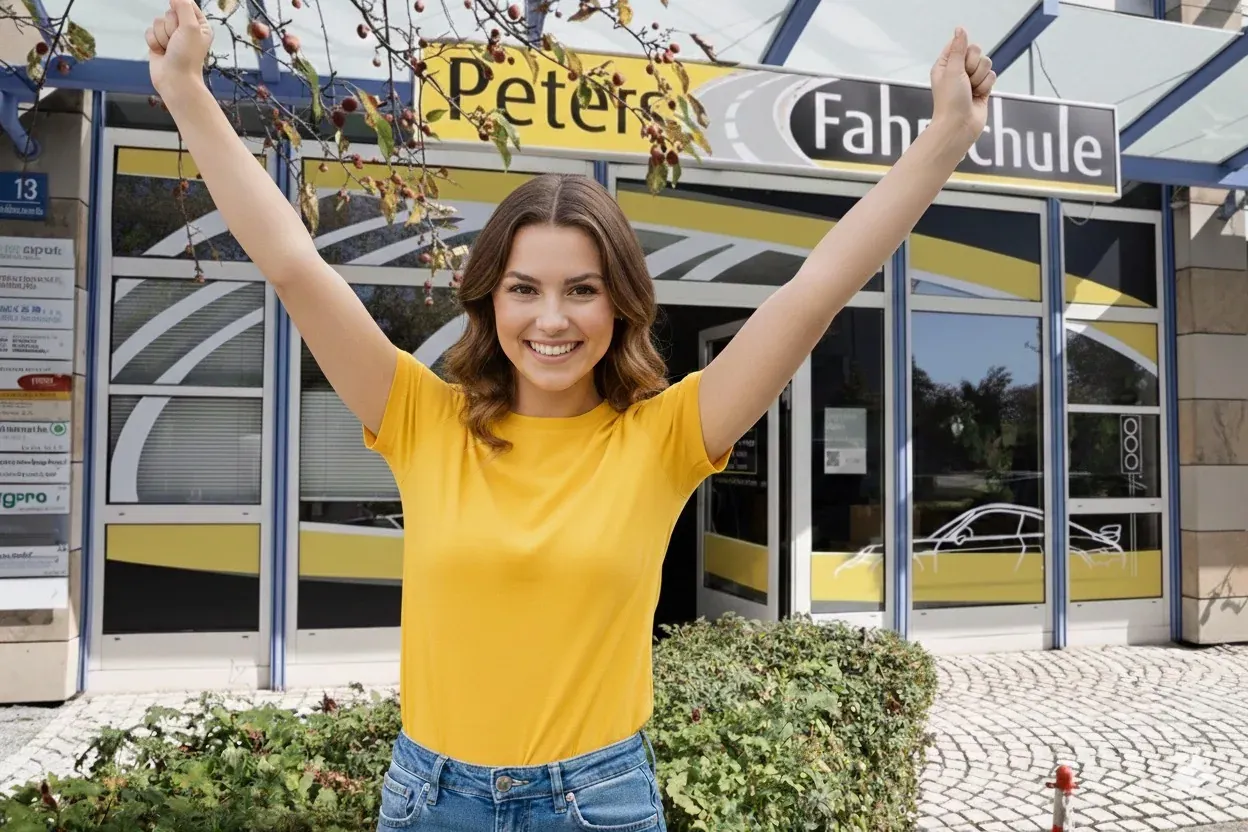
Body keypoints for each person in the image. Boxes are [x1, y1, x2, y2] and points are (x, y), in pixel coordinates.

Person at [145, 1, 996, 829]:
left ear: (619, 304)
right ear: (491, 301)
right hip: (431, 801)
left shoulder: (664, 436)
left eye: (581, 291)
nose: (551, 320)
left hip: (597, 802)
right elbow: (296, 267)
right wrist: (187, 91)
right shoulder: (420, 418)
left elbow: (813, 295)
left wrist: (943, 143)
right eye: (525, 290)